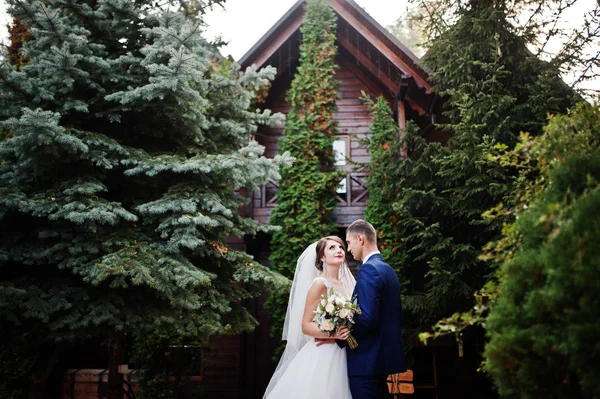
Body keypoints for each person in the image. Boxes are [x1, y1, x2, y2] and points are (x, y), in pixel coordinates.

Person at [263, 236, 355, 399]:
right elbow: (306, 325)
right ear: (321, 257)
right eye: (331, 248)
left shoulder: (347, 284)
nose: (339, 250)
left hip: (347, 351)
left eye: (340, 247)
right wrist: (334, 335)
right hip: (326, 353)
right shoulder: (320, 284)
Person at [343, 219, 406, 398]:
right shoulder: (387, 269)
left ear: (360, 238)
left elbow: (368, 318)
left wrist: (343, 334)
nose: (348, 249)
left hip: (366, 361)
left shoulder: (369, 269)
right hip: (380, 360)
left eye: (349, 242)